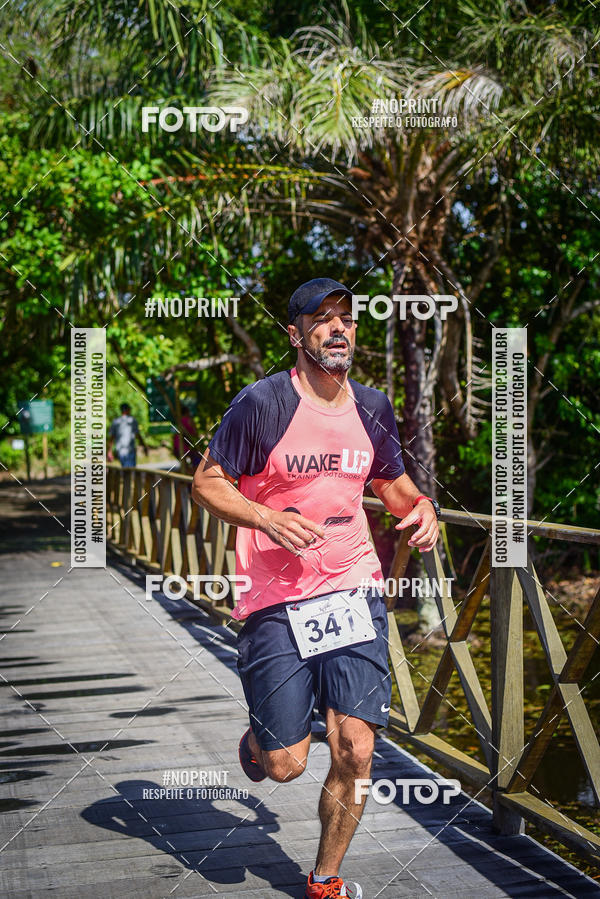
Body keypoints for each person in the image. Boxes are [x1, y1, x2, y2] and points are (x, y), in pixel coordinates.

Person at [192, 278, 440, 899]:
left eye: (346, 319)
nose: (337, 328)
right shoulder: (264, 405)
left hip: (353, 588)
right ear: (295, 333)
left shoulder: (374, 408)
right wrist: (267, 517)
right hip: (277, 598)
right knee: (285, 765)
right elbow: (207, 483)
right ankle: (264, 739)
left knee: (356, 748)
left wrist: (423, 508)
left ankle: (324, 880)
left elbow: (392, 485)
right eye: (322, 318)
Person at [107, 403, 148, 467]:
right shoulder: (132, 420)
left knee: (126, 470)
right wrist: (144, 446)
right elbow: (138, 435)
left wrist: (109, 451)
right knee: (131, 470)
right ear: (127, 410)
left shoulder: (116, 421)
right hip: (130, 450)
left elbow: (111, 438)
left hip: (121, 450)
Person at [173, 404, 202, 471]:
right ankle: (191, 475)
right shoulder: (190, 420)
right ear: (187, 412)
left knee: (185, 466)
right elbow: (195, 433)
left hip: (177, 446)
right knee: (195, 462)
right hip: (186, 445)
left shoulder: (178, 422)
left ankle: (187, 475)